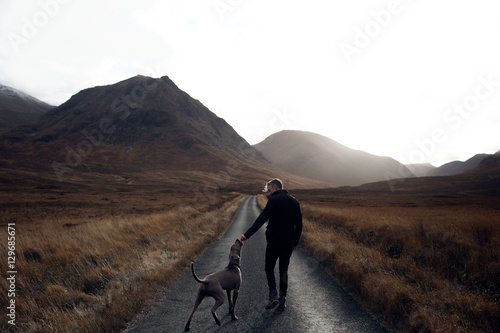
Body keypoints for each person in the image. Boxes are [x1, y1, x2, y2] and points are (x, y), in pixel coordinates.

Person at [240, 178, 303, 311]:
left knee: (269, 268)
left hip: (274, 241)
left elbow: (262, 218)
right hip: (288, 242)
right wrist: (296, 242)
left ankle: (273, 295)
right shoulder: (294, 201)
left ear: (275, 187)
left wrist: (247, 235)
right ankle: (283, 299)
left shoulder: (273, 200)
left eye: (269, 190)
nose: (268, 193)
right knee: (284, 270)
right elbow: (299, 225)